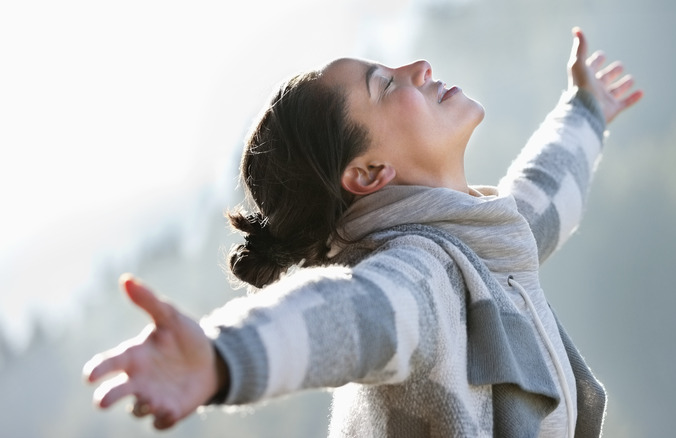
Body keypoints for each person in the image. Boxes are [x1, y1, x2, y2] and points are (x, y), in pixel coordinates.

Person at [83, 27, 642, 437]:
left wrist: (586, 112)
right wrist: (222, 357)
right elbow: (348, 314)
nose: (418, 67)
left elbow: (540, 203)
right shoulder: (421, 276)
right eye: (385, 84)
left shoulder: (479, 247)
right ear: (370, 173)